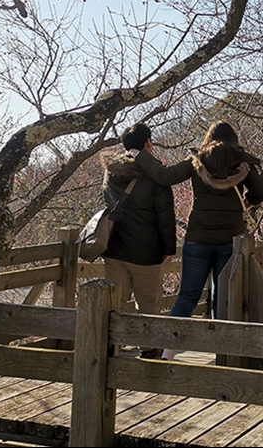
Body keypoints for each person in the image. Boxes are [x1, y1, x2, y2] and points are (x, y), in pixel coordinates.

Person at [134, 121, 263, 357]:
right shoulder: (242, 161)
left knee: (187, 296)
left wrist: (138, 154)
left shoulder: (198, 160)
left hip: (198, 238)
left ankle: (168, 351)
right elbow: (260, 192)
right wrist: (243, 205)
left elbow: (165, 177)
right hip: (230, 239)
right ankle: (222, 352)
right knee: (223, 296)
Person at [100, 122, 177, 357]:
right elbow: (165, 217)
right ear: (148, 144)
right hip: (146, 251)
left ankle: (113, 347)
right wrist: (168, 248)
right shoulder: (155, 176)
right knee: (149, 302)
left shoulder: (111, 172)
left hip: (114, 249)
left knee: (116, 301)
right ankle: (149, 349)